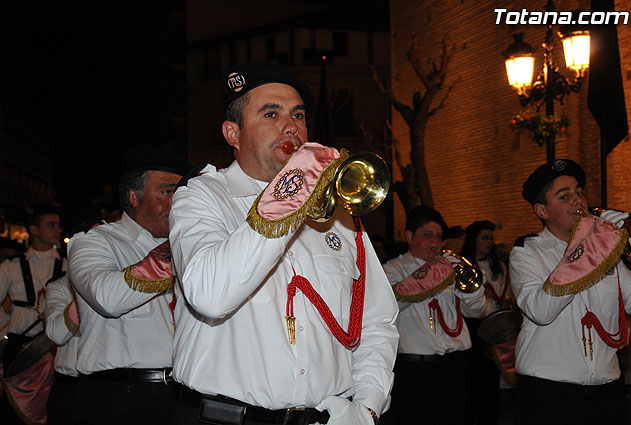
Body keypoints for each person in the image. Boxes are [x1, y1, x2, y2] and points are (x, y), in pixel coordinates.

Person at [169, 60, 399, 425]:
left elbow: (376, 320)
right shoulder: (202, 197)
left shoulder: (338, 210)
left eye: (298, 115)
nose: (290, 126)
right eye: (271, 114)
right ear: (233, 133)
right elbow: (210, 296)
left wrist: (368, 406)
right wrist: (291, 191)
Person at [67, 145, 192, 425]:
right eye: (167, 191)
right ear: (133, 197)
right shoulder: (95, 241)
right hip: (120, 396)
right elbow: (106, 297)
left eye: (182, 193)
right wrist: (178, 250)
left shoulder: (193, 245)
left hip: (185, 395)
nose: (177, 202)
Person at [510, 159, 631, 425]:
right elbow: (540, 311)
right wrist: (587, 250)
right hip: (549, 392)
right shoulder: (527, 252)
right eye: (564, 196)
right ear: (542, 211)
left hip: (607, 387)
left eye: (579, 192)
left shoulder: (606, 253)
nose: (578, 201)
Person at [383, 205, 487, 425]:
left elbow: (476, 311)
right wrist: (431, 274)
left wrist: (472, 287)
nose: (435, 243)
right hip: (416, 370)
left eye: (439, 237)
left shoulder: (448, 265)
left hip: (456, 364)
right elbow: (389, 305)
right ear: (409, 236)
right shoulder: (393, 268)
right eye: (427, 235)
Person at [0, 205, 66, 424]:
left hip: (57, 348)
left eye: (58, 224)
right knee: (14, 408)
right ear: (34, 230)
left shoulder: (68, 265)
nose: (58, 229)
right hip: (19, 345)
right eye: (51, 225)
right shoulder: (10, 267)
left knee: (54, 406)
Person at [45, 214, 103, 424]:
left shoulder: (119, 282)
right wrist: (82, 290)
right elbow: (56, 334)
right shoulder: (59, 286)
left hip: (107, 384)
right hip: (71, 383)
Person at [459, 220, 512, 425]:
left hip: (496, 325)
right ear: (473, 240)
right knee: (474, 378)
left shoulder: (498, 265)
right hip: (473, 325)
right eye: (484, 237)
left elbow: (507, 290)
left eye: (491, 238)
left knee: (491, 377)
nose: (489, 242)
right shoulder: (465, 264)